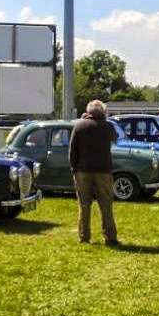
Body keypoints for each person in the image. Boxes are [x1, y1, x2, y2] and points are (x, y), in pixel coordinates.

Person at [69, 99, 118, 246]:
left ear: (88, 112)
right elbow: (115, 138)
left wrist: (74, 169)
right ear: (102, 112)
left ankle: (84, 237)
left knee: (84, 205)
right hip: (103, 171)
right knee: (106, 205)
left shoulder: (79, 126)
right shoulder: (107, 126)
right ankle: (110, 237)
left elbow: (72, 150)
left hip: (82, 171)